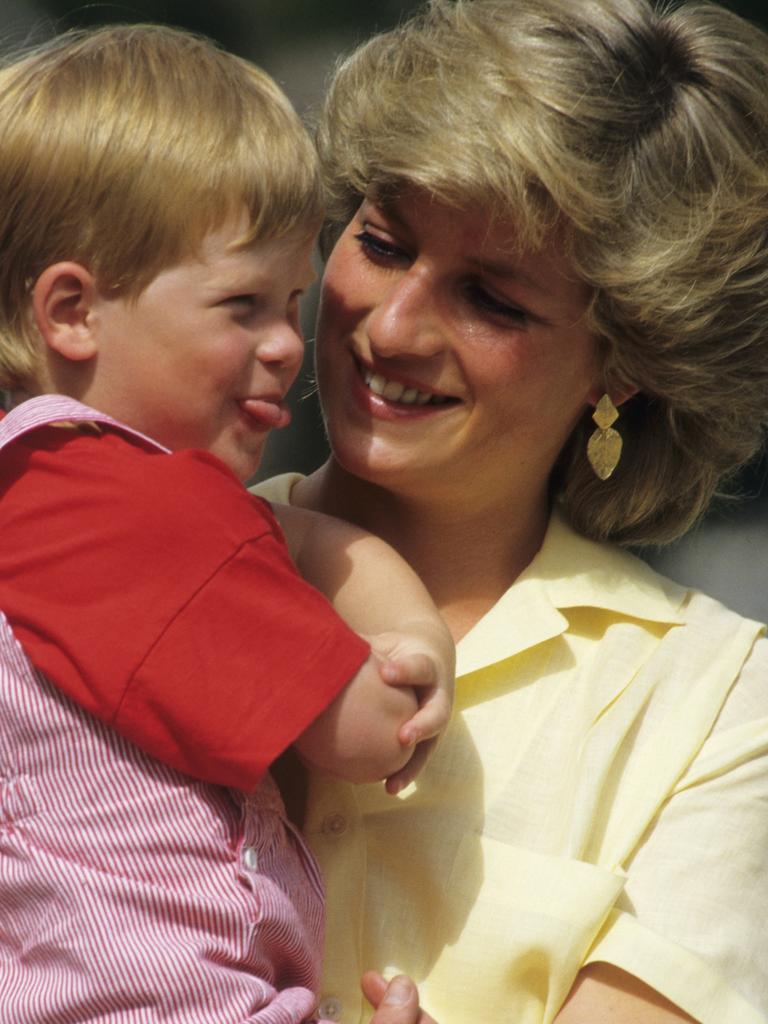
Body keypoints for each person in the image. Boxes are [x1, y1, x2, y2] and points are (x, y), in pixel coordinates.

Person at [253, 0, 768, 1021]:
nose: (391, 328)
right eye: (386, 244)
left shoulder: (720, 707)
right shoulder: (119, 553)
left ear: (622, 363)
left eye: (493, 299)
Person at [0, 25, 453, 1024]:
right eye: (242, 304)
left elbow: (278, 538)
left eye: (292, 301)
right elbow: (367, 727)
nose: (288, 344)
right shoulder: (150, 511)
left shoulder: (36, 497)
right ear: (71, 310)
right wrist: (414, 650)